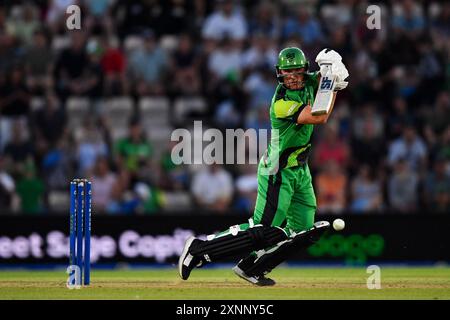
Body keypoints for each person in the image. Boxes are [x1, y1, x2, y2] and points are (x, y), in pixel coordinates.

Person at [178, 47, 349, 285]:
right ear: (279, 74)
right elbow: (319, 116)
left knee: (302, 232)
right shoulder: (281, 102)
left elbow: (323, 82)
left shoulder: (309, 81)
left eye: (297, 72)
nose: (292, 78)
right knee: (263, 230)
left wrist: (332, 75)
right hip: (277, 171)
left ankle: (252, 267)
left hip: (300, 169)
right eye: (287, 73)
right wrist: (334, 85)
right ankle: (199, 248)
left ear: (304, 70)